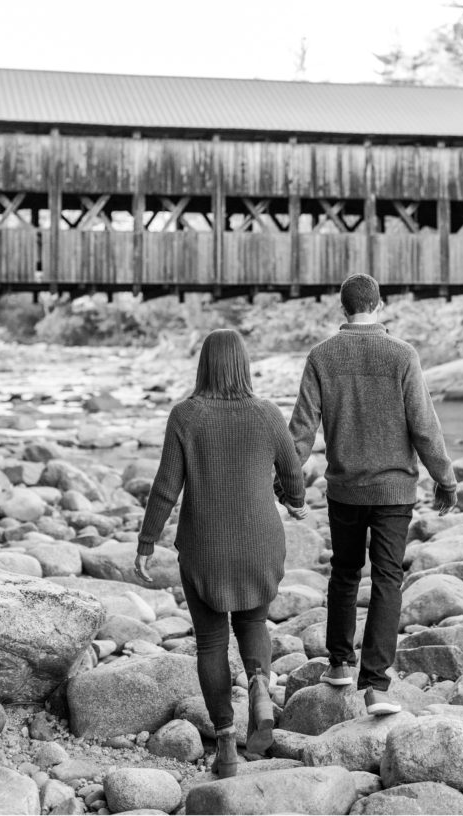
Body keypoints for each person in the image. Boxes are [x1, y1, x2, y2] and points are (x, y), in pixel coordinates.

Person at [134, 329, 306, 778]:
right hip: (260, 544)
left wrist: (146, 542)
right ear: (244, 365)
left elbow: (166, 487)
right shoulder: (267, 414)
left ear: (204, 365)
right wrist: (295, 501)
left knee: (211, 642)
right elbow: (293, 471)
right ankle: (259, 687)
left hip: (205, 547)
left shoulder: (186, 416)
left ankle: (226, 744)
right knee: (253, 622)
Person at [289, 273, 457, 716]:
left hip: (345, 488)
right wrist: (445, 477)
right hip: (394, 489)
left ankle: (340, 663)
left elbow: (301, 430)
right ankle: (377, 686)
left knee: (344, 573)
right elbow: (424, 423)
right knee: (386, 579)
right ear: (379, 306)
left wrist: (288, 482)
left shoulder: (321, 356)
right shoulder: (402, 354)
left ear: (343, 309)